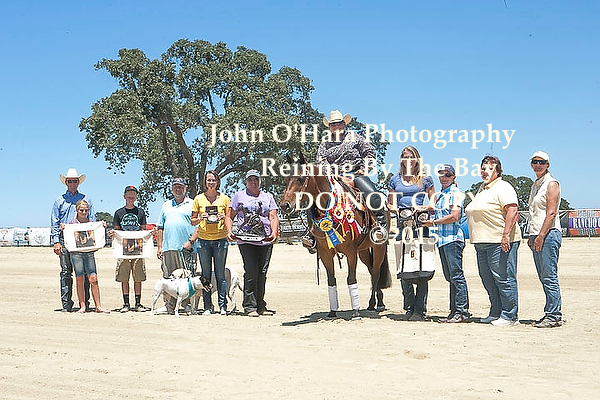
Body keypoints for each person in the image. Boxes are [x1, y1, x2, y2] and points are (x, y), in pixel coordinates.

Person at [314, 109, 388, 244]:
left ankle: (380, 226)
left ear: (344, 124)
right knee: (313, 197)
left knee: (372, 193)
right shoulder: (324, 143)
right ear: (329, 127)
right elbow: (321, 161)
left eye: (339, 123)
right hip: (333, 177)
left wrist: (364, 168)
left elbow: (370, 152)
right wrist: (331, 173)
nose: (337, 126)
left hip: (354, 174)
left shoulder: (355, 137)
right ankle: (312, 235)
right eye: (333, 124)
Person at [465, 155, 521, 327]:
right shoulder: (482, 189)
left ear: (498, 171)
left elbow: (512, 210)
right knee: (488, 279)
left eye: (490, 168)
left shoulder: (503, 187)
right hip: (481, 242)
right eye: (483, 168)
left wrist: (506, 235)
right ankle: (496, 311)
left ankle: (510, 315)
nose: (485, 171)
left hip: (498, 241)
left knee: (503, 277)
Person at [388, 145, 435, 321]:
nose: (408, 160)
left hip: (421, 223)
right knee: (404, 265)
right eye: (404, 157)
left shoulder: (426, 179)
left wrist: (421, 207)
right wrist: (395, 209)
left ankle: (420, 309)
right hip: (403, 223)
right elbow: (390, 203)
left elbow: (433, 202)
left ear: (417, 160)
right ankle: (408, 307)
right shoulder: (395, 179)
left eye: (411, 157)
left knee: (422, 264)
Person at [225, 170, 279, 317]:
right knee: (251, 271)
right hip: (246, 240)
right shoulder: (239, 196)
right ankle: (250, 306)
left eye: (256, 179)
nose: (253, 182)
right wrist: (229, 231)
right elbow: (229, 216)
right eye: (250, 180)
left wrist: (274, 232)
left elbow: (273, 216)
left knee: (262, 272)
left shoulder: (268, 197)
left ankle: (261, 305)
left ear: (260, 181)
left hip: (265, 240)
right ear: (246, 182)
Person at [422, 164, 470, 323]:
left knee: (456, 276)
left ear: (453, 177)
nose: (444, 177)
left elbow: (454, 216)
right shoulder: (442, 195)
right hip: (443, 240)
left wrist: (433, 222)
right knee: (450, 277)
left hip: (453, 239)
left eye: (447, 175)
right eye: (441, 174)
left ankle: (462, 311)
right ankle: (454, 311)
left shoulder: (454, 193)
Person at [185, 170, 230, 316]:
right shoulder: (198, 199)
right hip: (203, 241)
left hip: (220, 239)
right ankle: (207, 306)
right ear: (205, 182)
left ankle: (223, 306)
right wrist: (200, 218)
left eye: (213, 180)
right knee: (205, 275)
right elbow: (192, 221)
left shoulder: (225, 199)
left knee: (220, 274)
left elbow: (229, 218)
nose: (211, 183)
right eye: (208, 180)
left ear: (218, 182)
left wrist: (223, 217)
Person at [527, 151, 563, 328]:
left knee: (549, 276)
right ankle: (551, 312)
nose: (538, 165)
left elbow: (551, 213)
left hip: (548, 234)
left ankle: (554, 315)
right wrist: (531, 235)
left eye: (542, 162)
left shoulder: (551, 184)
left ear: (548, 165)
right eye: (535, 162)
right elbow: (534, 213)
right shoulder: (535, 185)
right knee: (543, 276)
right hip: (537, 234)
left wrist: (541, 235)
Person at [50, 168, 92, 312]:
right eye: (70, 181)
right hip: (65, 239)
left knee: (84, 272)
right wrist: (56, 241)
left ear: (78, 182)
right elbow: (55, 222)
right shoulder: (59, 201)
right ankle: (66, 304)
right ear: (66, 182)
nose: (72, 183)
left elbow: (92, 219)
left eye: (75, 181)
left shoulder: (86, 200)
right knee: (66, 272)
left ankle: (84, 303)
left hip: (82, 239)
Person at [155, 178, 195, 314]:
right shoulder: (166, 205)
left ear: (185, 188)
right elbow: (160, 227)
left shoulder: (192, 204)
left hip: (187, 248)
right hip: (168, 248)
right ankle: (169, 305)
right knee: (169, 278)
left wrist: (191, 241)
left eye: (181, 187)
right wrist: (159, 247)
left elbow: (199, 225)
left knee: (187, 277)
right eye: (175, 187)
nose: (178, 189)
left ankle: (187, 305)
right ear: (172, 188)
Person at [63, 200, 109, 313]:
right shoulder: (72, 224)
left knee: (94, 279)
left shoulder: (92, 223)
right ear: (77, 210)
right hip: (76, 254)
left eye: (86, 210)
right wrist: (64, 228)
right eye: (81, 210)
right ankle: (82, 306)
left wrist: (102, 227)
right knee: (79, 279)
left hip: (89, 253)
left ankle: (98, 306)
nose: (84, 212)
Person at [111, 185, 149, 313]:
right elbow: (117, 231)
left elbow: (143, 230)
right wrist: (112, 234)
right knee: (124, 278)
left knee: (138, 277)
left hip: (138, 248)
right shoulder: (118, 213)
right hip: (123, 249)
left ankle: (138, 303)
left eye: (133, 195)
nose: (131, 197)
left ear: (136, 197)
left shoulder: (141, 212)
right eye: (129, 195)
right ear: (124, 196)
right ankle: (126, 303)